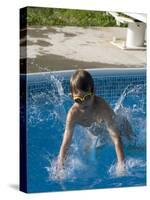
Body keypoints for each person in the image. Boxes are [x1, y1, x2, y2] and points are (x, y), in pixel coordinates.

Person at [57, 69, 133, 175]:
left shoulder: (102, 108)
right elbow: (65, 143)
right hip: (98, 131)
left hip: (119, 125)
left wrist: (121, 164)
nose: (83, 103)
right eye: (78, 100)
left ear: (93, 92)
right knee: (87, 152)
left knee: (132, 143)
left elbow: (116, 137)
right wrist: (60, 167)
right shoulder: (73, 114)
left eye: (87, 97)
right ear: (72, 97)